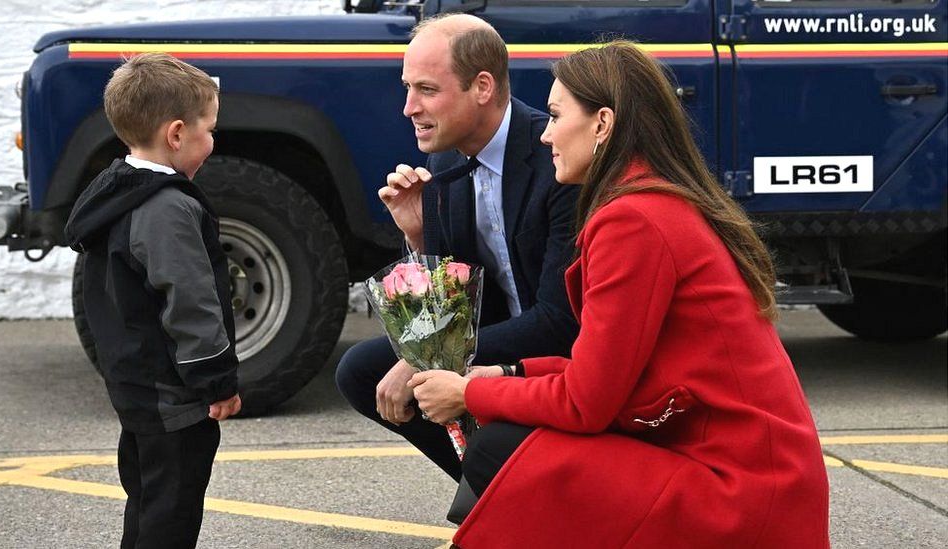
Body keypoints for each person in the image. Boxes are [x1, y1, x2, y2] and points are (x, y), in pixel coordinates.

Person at [409, 41, 831, 548]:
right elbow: (609, 372)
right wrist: (509, 373)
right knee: (511, 441)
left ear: (602, 124)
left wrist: (469, 392)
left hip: (739, 494)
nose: (544, 134)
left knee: (502, 447)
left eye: (556, 115)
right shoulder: (653, 201)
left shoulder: (632, 220)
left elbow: (587, 403)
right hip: (752, 477)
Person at [335, 13, 579, 481]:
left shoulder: (556, 156)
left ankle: (521, 494)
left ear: (482, 87)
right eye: (408, 88)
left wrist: (429, 363)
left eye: (426, 90)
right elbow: (453, 303)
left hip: (563, 350)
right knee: (360, 371)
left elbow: (559, 320)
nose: (409, 107)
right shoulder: (444, 157)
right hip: (498, 337)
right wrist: (418, 236)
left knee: (411, 373)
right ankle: (493, 495)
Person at [63, 53, 241, 549]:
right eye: (209, 129)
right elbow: (191, 303)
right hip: (175, 398)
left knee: (146, 500)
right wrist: (217, 382)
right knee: (172, 515)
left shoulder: (116, 193)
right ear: (177, 134)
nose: (213, 140)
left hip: (136, 386)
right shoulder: (166, 209)